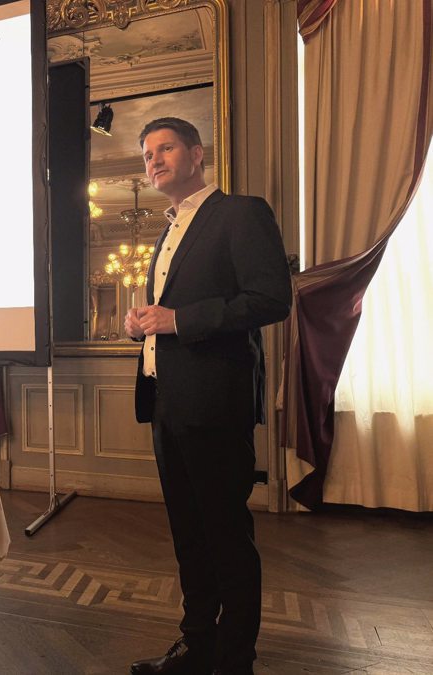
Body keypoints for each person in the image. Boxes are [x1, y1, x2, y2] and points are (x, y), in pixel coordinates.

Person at [124, 118, 292, 675]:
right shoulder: (167, 231)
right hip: (166, 403)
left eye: (165, 148)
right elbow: (171, 317)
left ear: (197, 154)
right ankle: (196, 647)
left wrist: (178, 319)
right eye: (147, 154)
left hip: (215, 404)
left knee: (226, 538)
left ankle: (234, 661)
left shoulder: (240, 213)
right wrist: (143, 326)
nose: (153, 160)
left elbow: (271, 299)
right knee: (188, 538)